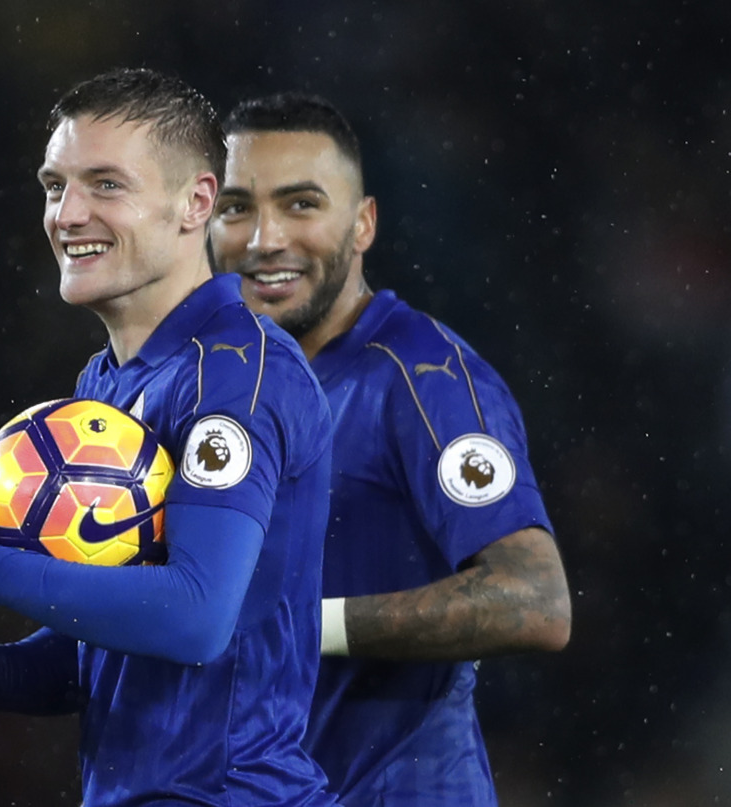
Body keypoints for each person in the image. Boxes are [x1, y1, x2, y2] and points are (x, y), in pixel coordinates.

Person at [0, 69, 342, 807]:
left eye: (106, 185)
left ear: (195, 202)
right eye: (54, 186)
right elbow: (107, 653)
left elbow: (195, 616)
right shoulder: (105, 385)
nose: (68, 213)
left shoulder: (235, 376)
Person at [208, 91, 573, 806]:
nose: (264, 239)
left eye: (301, 204)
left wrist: (309, 625)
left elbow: (536, 600)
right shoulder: (217, 386)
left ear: (363, 222)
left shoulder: (423, 379)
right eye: (237, 206)